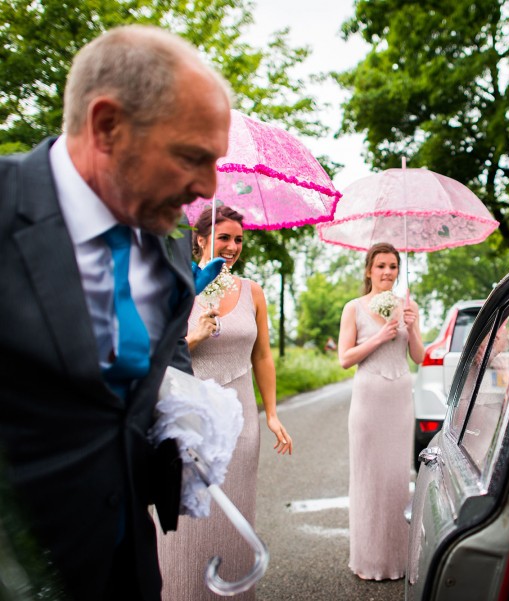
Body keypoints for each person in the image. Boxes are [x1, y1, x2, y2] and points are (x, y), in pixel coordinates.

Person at [0, 25, 232, 601]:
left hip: (128, 567)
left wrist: (175, 425)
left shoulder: (164, 243)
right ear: (106, 126)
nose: (205, 187)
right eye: (190, 157)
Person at [156, 205, 292, 600]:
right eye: (224, 237)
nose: (232, 247)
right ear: (200, 238)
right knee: (186, 520)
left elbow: (262, 356)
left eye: (238, 240)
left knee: (235, 515)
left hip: (242, 421)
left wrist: (271, 414)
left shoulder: (252, 291)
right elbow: (153, 354)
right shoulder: (173, 285)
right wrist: (193, 336)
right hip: (188, 417)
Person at [338, 242, 425, 580]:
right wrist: (380, 336)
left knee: (395, 478)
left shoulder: (408, 306)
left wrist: (411, 326)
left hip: (400, 400)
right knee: (368, 478)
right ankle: (368, 560)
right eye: (381, 266)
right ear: (369, 271)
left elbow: (418, 357)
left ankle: (398, 559)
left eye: (393, 266)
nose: (388, 272)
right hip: (368, 401)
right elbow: (345, 359)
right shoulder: (354, 308)